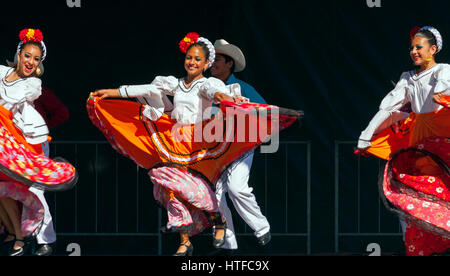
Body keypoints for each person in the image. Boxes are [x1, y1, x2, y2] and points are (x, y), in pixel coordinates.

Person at [89, 32, 301, 256]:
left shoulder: (223, 85)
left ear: (216, 63)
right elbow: (149, 89)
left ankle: (251, 228)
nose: (193, 62)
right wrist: (113, 92)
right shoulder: (178, 83)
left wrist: (237, 104)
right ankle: (209, 240)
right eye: (190, 57)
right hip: (185, 142)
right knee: (180, 187)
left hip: (229, 141)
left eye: (200, 59)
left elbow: (223, 96)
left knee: (233, 189)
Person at [356, 26, 450, 256]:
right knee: (411, 194)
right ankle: (415, 247)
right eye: (412, 47)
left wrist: (440, 93)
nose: (414, 51)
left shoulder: (443, 70)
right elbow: (388, 108)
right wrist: (366, 135)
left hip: (442, 136)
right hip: (419, 140)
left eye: (419, 46)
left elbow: (443, 91)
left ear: (433, 49)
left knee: (444, 190)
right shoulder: (408, 78)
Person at [0, 28, 77, 256]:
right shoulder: (1, 72)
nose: (31, 62)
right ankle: (17, 235)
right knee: (2, 189)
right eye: (27, 55)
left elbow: (8, 106)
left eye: (37, 59)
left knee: (36, 189)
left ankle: (46, 241)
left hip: (28, 143)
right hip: (4, 143)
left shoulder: (32, 85)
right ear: (18, 54)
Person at [210, 39, 271, 251]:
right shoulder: (205, 87)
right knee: (213, 194)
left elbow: (264, 111)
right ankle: (228, 245)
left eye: (217, 59)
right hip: (213, 147)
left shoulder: (243, 88)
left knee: (237, 188)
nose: (213, 64)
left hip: (240, 145)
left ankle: (261, 227)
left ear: (229, 64)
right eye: (211, 60)